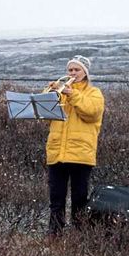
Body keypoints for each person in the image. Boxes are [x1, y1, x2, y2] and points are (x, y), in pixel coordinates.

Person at [45, 55, 105, 237]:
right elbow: (46, 116)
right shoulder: (60, 92)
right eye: (70, 70)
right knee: (56, 199)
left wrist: (73, 94)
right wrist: (49, 94)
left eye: (76, 70)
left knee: (79, 199)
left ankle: (79, 236)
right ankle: (55, 235)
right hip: (56, 152)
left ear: (85, 73)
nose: (72, 73)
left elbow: (92, 113)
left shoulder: (94, 93)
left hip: (80, 153)